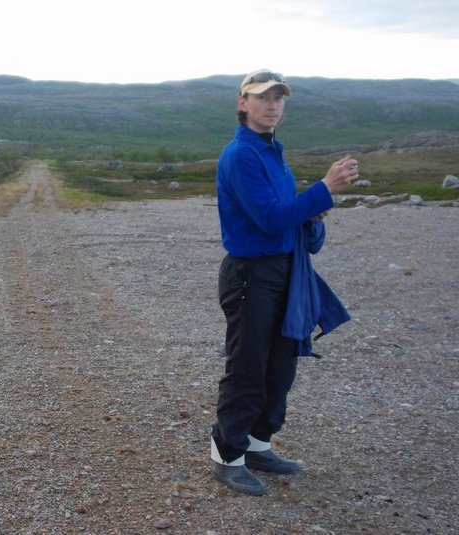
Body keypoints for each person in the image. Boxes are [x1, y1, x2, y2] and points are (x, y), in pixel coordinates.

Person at [210, 69, 357, 496]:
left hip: (283, 270)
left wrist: (310, 210)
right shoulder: (240, 155)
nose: (272, 105)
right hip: (250, 277)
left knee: (280, 365)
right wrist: (324, 189)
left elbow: (288, 213)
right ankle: (227, 454)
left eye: (278, 98)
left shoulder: (273, 150)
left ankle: (257, 445)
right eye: (261, 97)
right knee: (248, 367)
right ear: (242, 103)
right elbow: (271, 219)